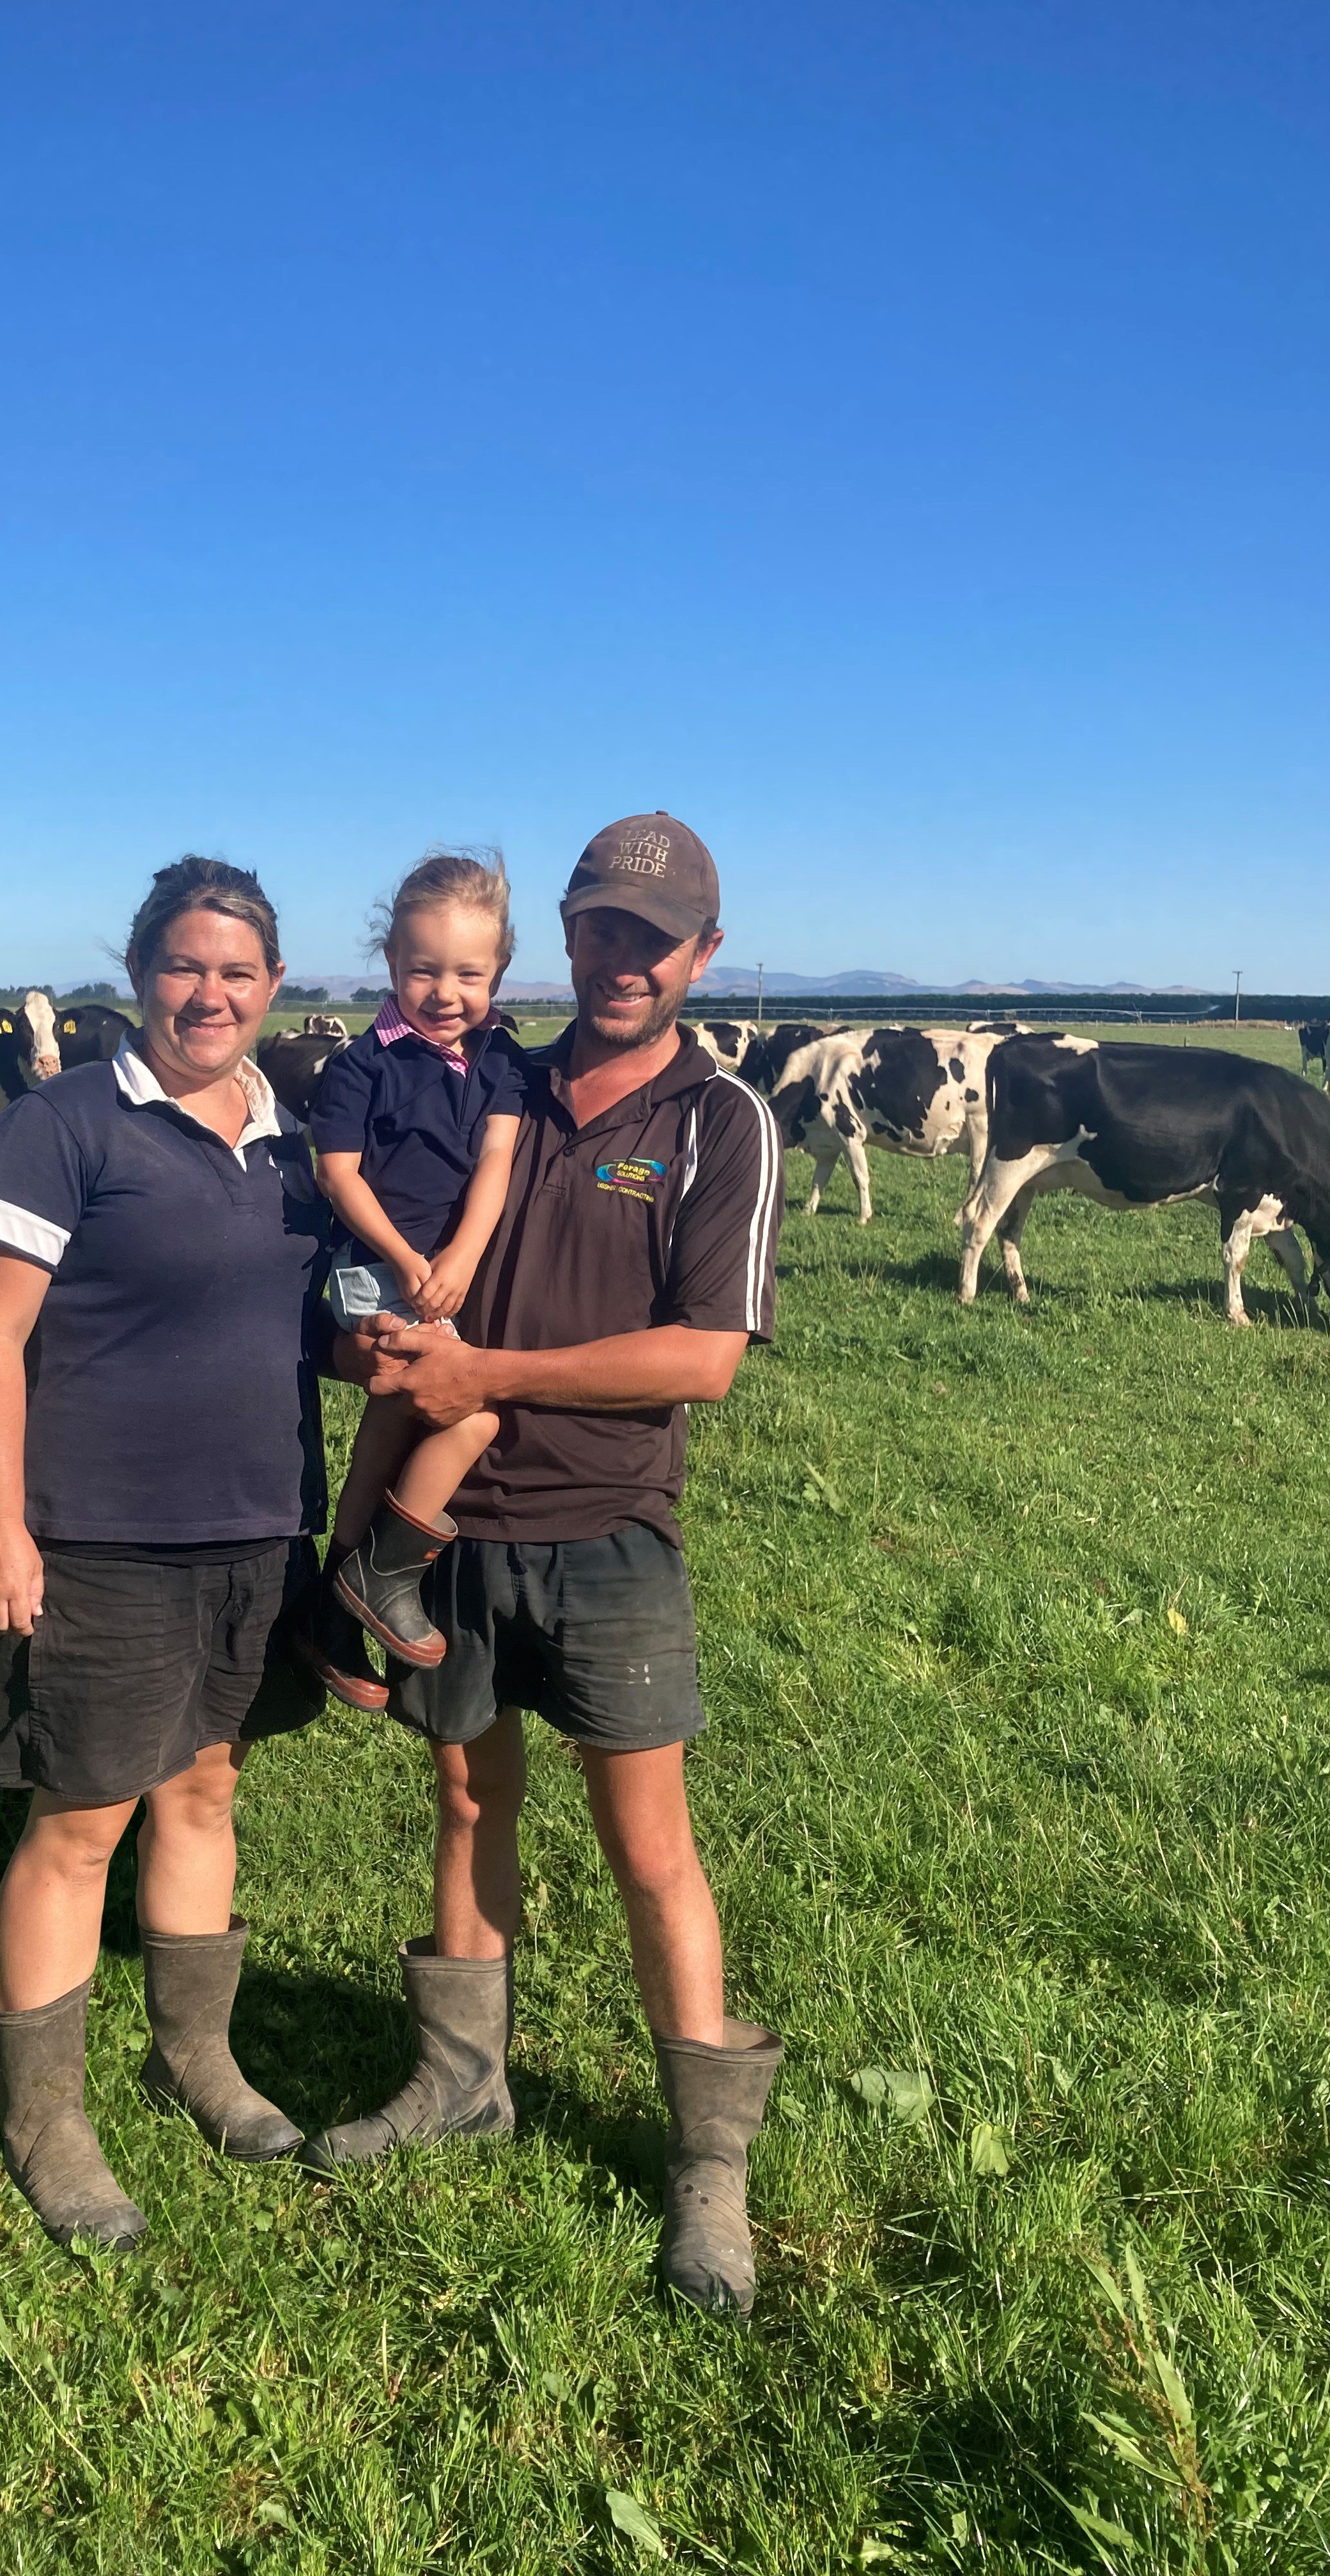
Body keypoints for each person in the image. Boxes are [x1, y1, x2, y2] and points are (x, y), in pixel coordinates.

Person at [305, 813, 787, 2319]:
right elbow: (358, 1272)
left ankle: (710, 2172)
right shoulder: (490, 1080)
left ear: (703, 954)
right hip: (446, 1525)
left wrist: (486, 1372)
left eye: (657, 939)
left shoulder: (720, 1124)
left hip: (608, 1526)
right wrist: (369, 1355)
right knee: (465, 1797)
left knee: (650, 1839)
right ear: (562, 939)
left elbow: (703, 1359)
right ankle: (462, 2082)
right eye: (601, 929)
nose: (624, 960)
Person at [0, 855, 330, 2253]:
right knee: (79, 1819)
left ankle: (196, 2056)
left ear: (274, 988)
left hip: (257, 1527)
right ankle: (47, 2121)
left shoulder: (293, 1136)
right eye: (185, 966)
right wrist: (3, 1521)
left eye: (238, 972)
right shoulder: (63, 1128)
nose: (210, 993)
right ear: (139, 975)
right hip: (100, 1535)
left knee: (207, 1793)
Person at [297, 850, 528, 1706]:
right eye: (423, 969)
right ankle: (382, 1577)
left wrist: (463, 1258)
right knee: (473, 1418)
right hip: (378, 1271)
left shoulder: (502, 1060)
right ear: (392, 964)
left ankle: (329, 1608)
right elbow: (339, 1176)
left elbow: (497, 1159)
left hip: (443, 1271)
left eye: (469, 973)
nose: (445, 991)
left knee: (392, 1429)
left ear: (498, 969)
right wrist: (409, 1261)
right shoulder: (363, 1065)